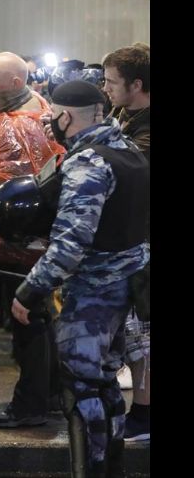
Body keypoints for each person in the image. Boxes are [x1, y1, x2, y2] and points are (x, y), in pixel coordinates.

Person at [8, 80, 149, 477]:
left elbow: (71, 243)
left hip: (92, 294)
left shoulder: (89, 164)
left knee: (82, 391)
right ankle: (112, 467)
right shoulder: (129, 151)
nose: (52, 123)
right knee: (105, 384)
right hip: (127, 291)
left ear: (66, 117)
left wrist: (29, 289)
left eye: (54, 116)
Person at [0, 51, 65, 429]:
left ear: (15, 83)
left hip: (15, 241)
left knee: (27, 321)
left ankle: (30, 404)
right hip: (38, 238)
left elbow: (10, 187)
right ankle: (51, 393)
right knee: (40, 317)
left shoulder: (13, 126)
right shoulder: (38, 105)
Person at [102, 45, 150, 443]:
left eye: (111, 82)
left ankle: (146, 415)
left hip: (143, 240)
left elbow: (120, 170)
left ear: (137, 84)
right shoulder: (123, 115)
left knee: (144, 333)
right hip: (130, 237)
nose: (105, 89)